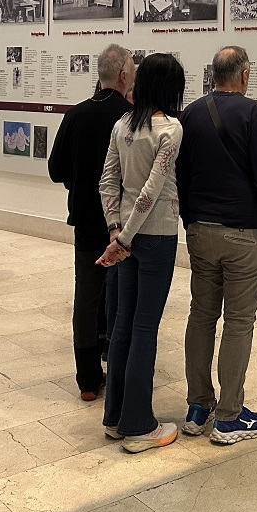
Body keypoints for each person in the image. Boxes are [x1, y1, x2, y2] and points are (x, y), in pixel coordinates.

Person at [176, 46, 257, 445]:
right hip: (244, 233)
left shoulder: (192, 113)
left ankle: (198, 406)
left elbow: (181, 174)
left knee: (201, 315)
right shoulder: (254, 112)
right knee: (239, 321)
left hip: (201, 231)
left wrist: (191, 219)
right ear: (244, 75)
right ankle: (229, 416)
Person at [96, 53, 185, 453]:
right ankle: (137, 425)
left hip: (127, 239)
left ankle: (115, 417)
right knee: (143, 329)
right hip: (155, 237)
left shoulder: (123, 125)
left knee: (123, 326)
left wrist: (116, 230)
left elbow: (108, 181)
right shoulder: (171, 129)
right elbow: (152, 191)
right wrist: (124, 239)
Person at [48, 45, 134, 401]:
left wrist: (80, 179)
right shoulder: (131, 117)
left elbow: (56, 170)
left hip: (86, 218)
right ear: (124, 75)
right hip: (125, 224)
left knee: (86, 295)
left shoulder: (76, 114)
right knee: (122, 296)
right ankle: (118, 365)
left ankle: (87, 379)